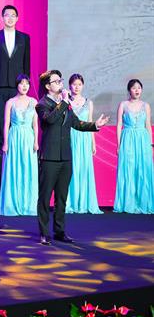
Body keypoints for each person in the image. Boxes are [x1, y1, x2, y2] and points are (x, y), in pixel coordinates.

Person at [36, 70, 109, 245]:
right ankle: (44, 232)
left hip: (66, 157)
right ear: (48, 86)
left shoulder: (65, 104)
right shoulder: (42, 104)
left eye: (60, 80)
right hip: (49, 158)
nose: (60, 84)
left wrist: (95, 125)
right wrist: (63, 102)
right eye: (56, 81)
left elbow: (76, 123)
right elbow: (50, 120)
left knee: (62, 197)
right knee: (45, 197)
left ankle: (59, 231)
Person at [0, 5, 31, 152]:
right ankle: (1, 146)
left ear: (17, 18)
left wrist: (25, 83)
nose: (10, 18)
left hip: (17, 84)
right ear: (2, 18)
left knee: (17, 115)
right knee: (0, 116)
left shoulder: (24, 38)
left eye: (13, 15)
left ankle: (15, 145)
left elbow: (26, 62)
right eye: (7, 15)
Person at [0, 74, 38, 216]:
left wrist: (36, 141)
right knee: (14, 168)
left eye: (27, 83)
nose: (24, 86)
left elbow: (35, 124)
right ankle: (12, 204)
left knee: (28, 169)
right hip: (14, 137)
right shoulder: (10, 102)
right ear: (17, 85)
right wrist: (5, 142)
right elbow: (6, 124)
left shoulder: (34, 102)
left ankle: (28, 205)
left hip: (28, 138)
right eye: (22, 83)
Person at [114, 79, 153, 214]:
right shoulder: (123, 105)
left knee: (143, 170)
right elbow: (119, 125)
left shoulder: (146, 105)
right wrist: (119, 144)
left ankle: (143, 202)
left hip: (143, 140)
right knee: (128, 170)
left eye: (139, 88)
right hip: (128, 139)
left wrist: (151, 145)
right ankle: (128, 203)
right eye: (134, 88)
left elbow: (148, 125)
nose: (137, 90)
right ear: (129, 90)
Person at [66, 74, 102, 214]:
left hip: (85, 138)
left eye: (79, 84)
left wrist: (93, 143)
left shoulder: (88, 102)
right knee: (71, 168)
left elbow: (90, 122)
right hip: (71, 137)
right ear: (69, 86)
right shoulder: (66, 101)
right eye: (74, 84)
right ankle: (71, 202)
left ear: (83, 86)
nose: (77, 87)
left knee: (84, 168)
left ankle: (84, 203)